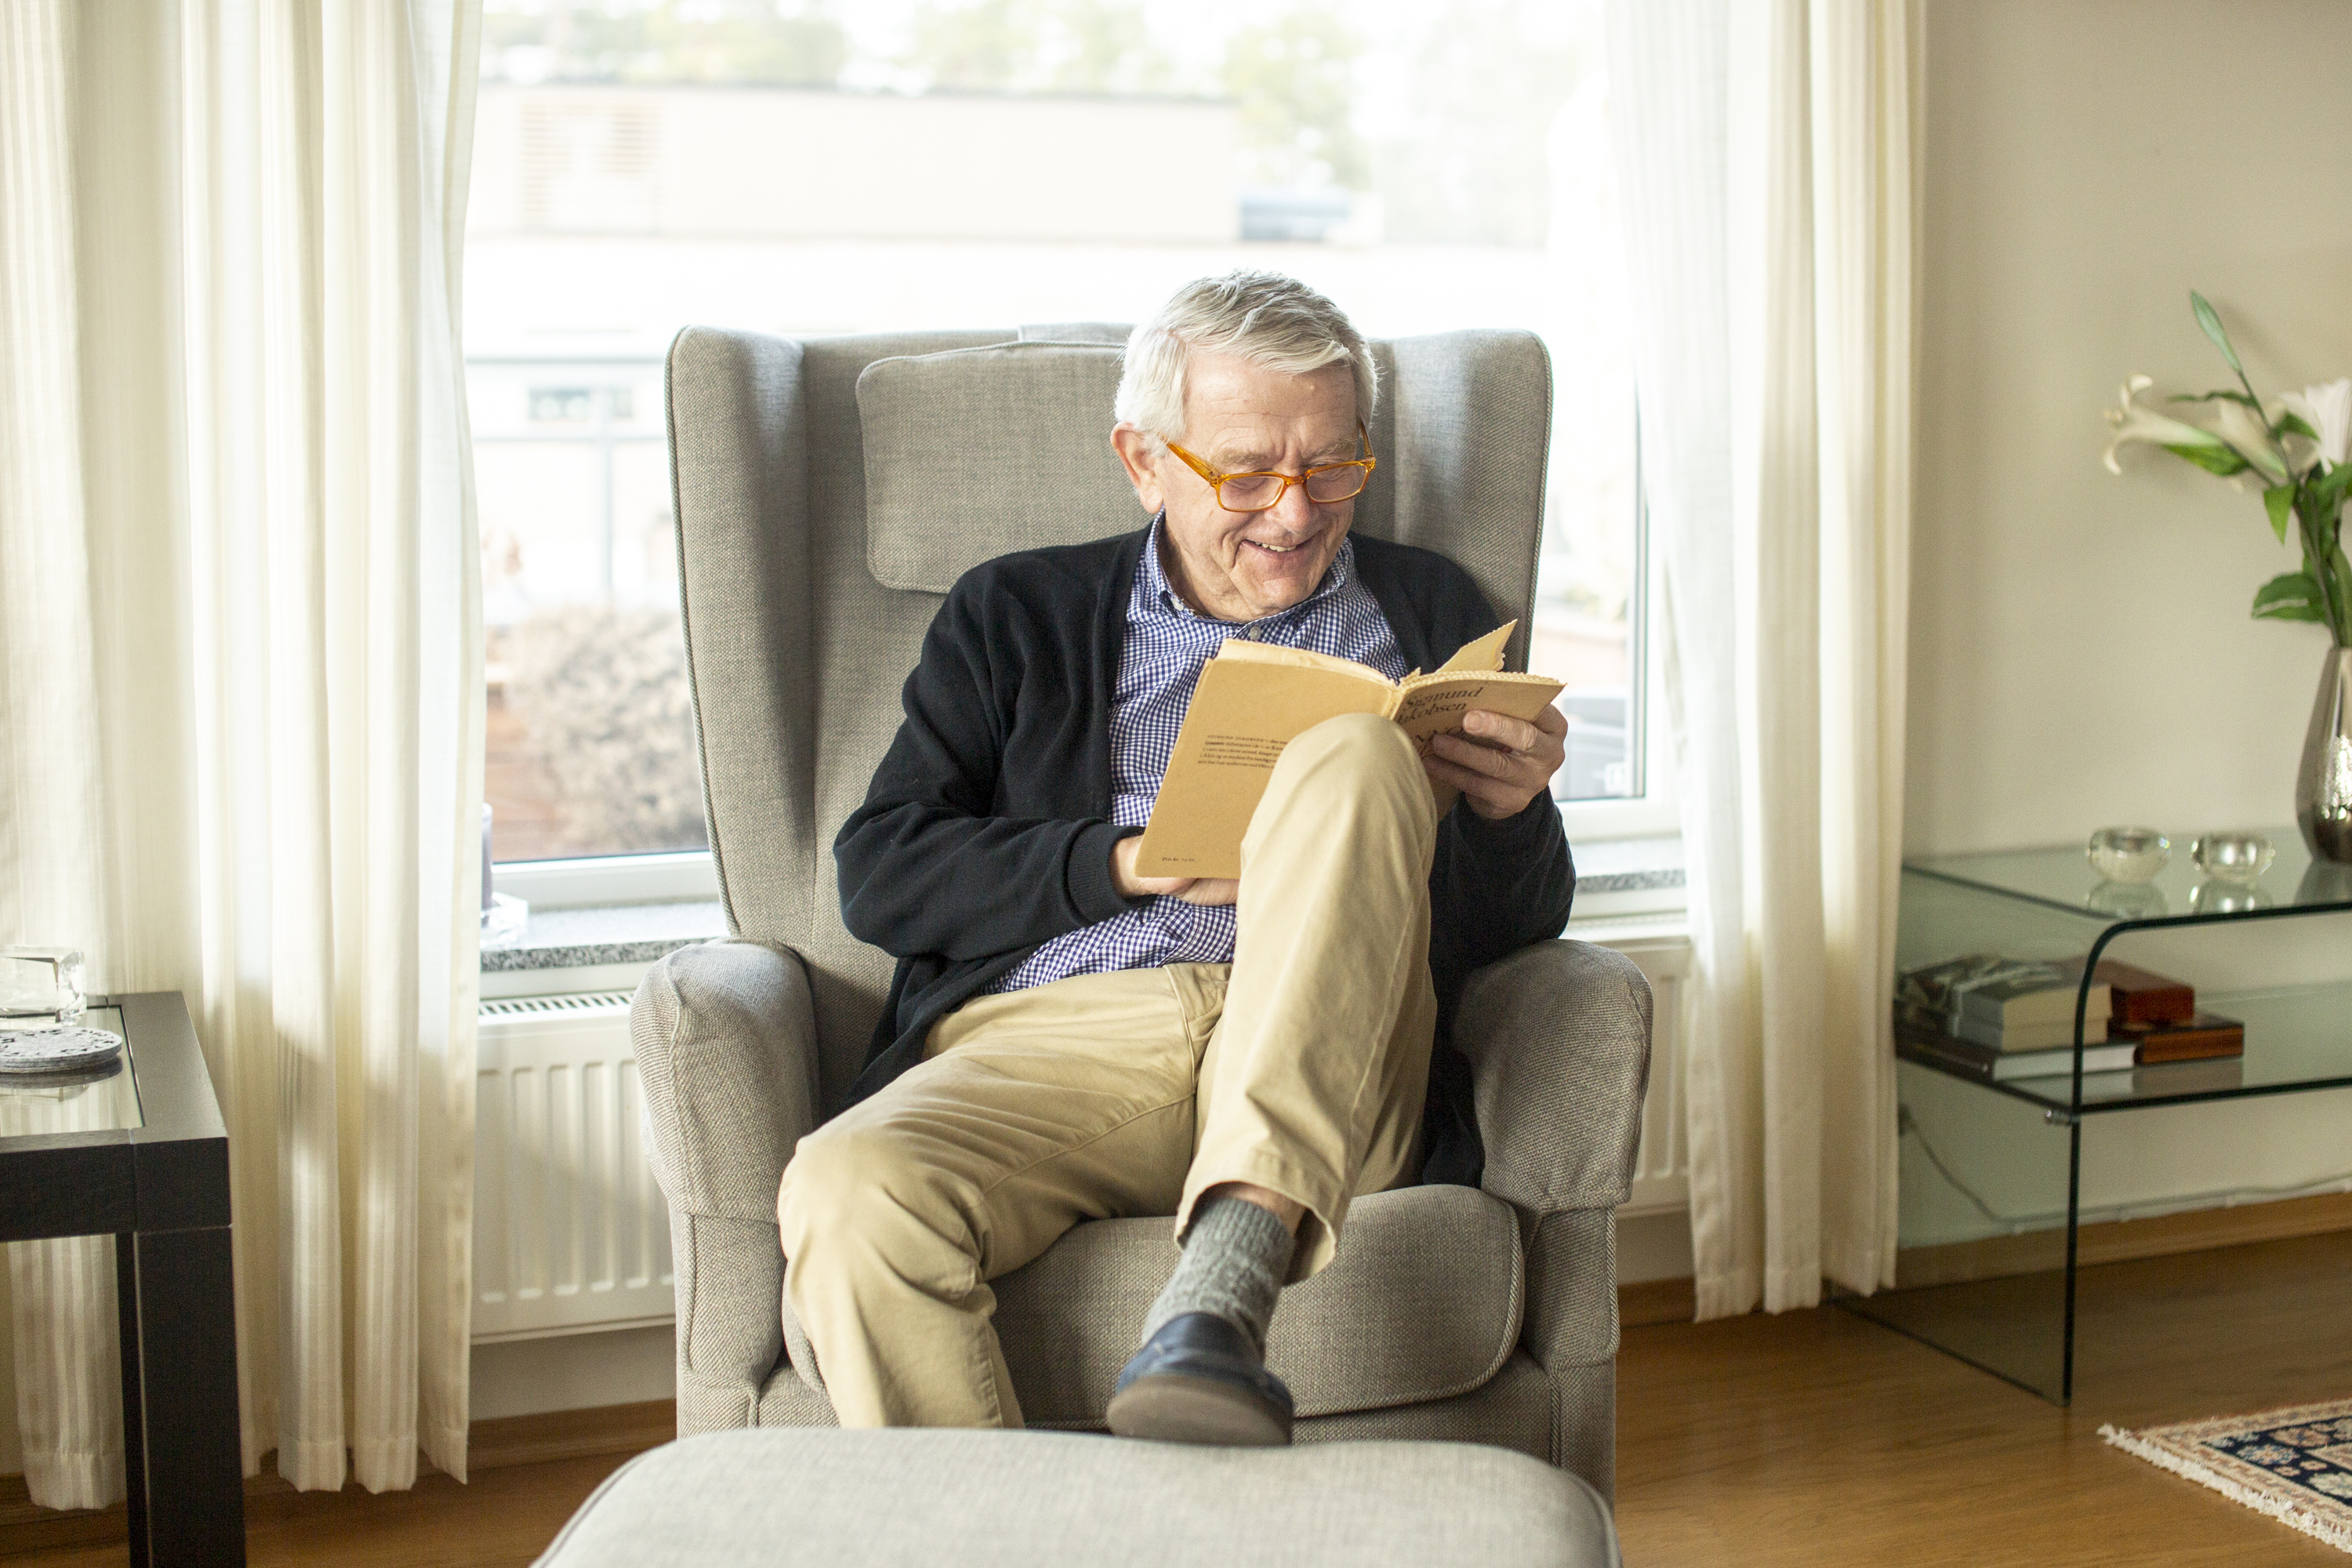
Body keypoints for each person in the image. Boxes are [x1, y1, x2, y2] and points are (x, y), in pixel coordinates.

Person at [778, 270, 1575, 1446]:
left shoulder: (1433, 610)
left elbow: (1517, 934)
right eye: (1246, 474)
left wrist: (1515, 816)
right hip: (1072, 1039)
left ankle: (1226, 1286)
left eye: (1333, 468)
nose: (1296, 515)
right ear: (1146, 461)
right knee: (846, 1193)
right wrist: (1132, 862)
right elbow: (881, 871)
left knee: (1356, 751)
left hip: (1345, 1039)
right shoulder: (1017, 613)